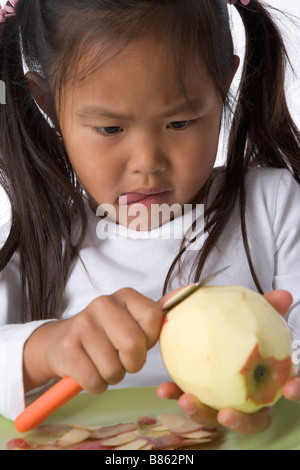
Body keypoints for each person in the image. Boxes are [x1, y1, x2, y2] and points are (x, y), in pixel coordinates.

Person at [0, 0, 300, 437]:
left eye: (179, 122)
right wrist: (45, 349)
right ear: (48, 103)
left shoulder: (273, 209)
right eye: (110, 129)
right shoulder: (39, 239)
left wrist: (286, 368)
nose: (147, 163)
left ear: (224, 84)